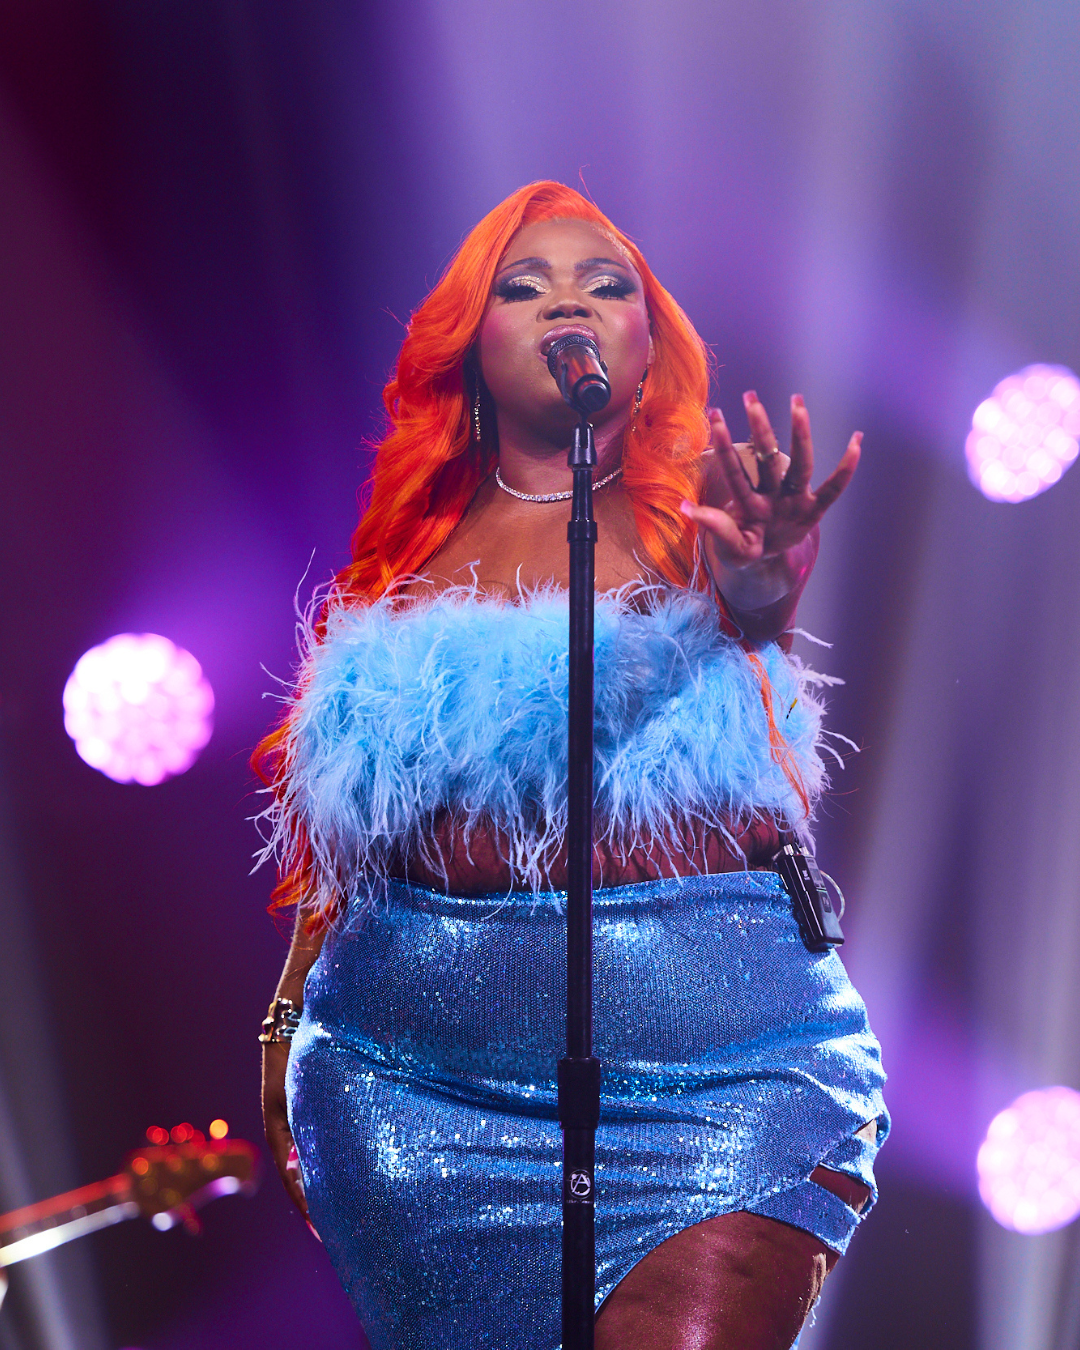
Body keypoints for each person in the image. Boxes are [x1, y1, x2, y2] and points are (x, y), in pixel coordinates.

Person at [256, 181, 887, 1350]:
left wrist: (761, 577)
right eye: (525, 282)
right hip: (407, 1094)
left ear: (647, 350)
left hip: (716, 1076)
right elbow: (345, 846)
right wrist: (284, 1030)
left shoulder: (686, 516)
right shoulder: (406, 553)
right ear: (469, 340)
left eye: (609, 286)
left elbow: (751, 611)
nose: (570, 303)